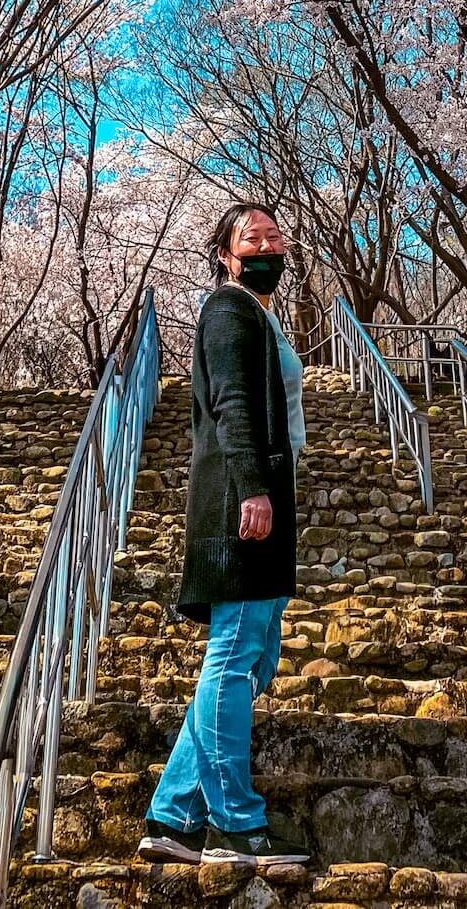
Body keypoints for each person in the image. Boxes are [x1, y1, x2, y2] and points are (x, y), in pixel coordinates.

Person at [137, 201, 310, 868]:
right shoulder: (228, 309)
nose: (266, 246)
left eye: (273, 235)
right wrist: (253, 488)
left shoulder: (261, 315)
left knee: (254, 660)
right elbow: (232, 403)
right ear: (225, 254)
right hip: (241, 504)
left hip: (268, 499)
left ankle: (175, 815)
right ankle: (235, 823)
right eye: (251, 237)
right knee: (236, 655)